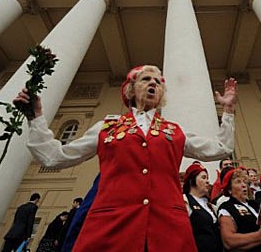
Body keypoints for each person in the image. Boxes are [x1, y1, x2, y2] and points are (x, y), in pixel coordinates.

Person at [14, 65, 237, 252]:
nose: (153, 84)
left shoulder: (175, 131)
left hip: (167, 230)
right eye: (146, 79)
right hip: (111, 228)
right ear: (130, 90)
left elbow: (221, 148)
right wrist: (36, 118)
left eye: (158, 82)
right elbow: (54, 157)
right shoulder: (107, 127)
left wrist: (227, 112)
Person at [218, 168, 261, 252]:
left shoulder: (255, 205)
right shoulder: (226, 207)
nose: (243, 185)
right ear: (229, 189)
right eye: (238, 182)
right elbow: (229, 241)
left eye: (245, 182)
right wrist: (259, 235)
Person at [183, 163, 223, 252]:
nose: (208, 181)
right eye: (203, 178)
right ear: (191, 181)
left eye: (207, 178)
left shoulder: (211, 206)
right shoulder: (185, 201)